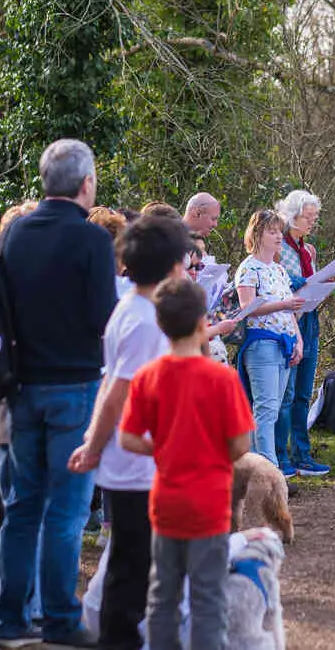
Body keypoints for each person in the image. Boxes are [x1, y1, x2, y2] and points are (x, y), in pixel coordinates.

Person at [0, 139, 116, 648]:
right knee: (66, 510)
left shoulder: (15, 232)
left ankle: (10, 619)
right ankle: (62, 618)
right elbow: (102, 317)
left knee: (22, 507)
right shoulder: (91, 241)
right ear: (86, 184)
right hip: (74, 383)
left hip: (23, 384)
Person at [67, 215, 191, 650]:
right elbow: (119, 391)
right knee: (132, 566)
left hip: (144, 459)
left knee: (133, 558)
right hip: (137, 462)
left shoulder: (139, 311)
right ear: (174, 266)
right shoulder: (143, 321)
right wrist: (93, 444)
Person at [118, 278, 253, 650]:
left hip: (165, 504)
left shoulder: (148, 376)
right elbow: (241, 444)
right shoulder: (222, 378)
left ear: (160, 325)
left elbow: (128, 437)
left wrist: (164, 450)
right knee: (208, 596)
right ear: (201, 324)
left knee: (162, 595)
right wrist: (210, 454)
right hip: (209, 504)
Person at [234, 210, 304, 468]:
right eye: (272, 231)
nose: (278, 237)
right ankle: (268, 468)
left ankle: (259, 466)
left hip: (284, 342)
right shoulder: (248, 267)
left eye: (279, 231)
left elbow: (290, 312)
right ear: (257, 234)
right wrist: (284, 304)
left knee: (272, 409)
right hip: (261, 343)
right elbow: (246, 307)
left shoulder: (279, 270)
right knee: (265, 408)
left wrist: (299, 341)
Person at [274, 189, 330, 477]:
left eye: (314, 217)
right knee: (286, 393)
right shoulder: (277, 246)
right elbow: (282, 281)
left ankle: (302, 453)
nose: (312, 222)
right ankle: (280, 455)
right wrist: (309, 281)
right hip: (287, 323)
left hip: (310, 321)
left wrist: (322, 283)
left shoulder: (307, 249)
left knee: (303, 393)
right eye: (307, 217)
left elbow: (309, 285)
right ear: (292, 215)